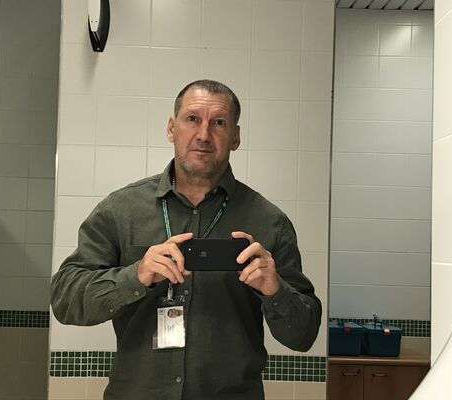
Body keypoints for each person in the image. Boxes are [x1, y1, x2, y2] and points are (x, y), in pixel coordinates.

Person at [50, 79, 322, 400]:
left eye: (218, 123)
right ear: (171, 128)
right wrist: (135, 275)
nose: (204, 134)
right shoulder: (120, 210)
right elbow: (65, 300)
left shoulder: (269, 222)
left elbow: (303, 336)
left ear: (235, 137)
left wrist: (275, 291)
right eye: (192, 119)